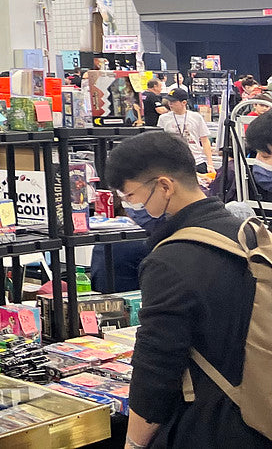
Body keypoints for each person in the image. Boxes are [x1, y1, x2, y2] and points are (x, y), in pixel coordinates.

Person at [105, 130, 270, 449]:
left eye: (130, 197)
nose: (129, 208)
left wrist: (134, 444)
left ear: (165, 186)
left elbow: (155, 372)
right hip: (260, 411)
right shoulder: (246, 231)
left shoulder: (169, 261)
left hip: (210, 426)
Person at [158, 88, 214, 176]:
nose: (170, 104)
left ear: (184, 102)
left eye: (173, 102)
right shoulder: (163, 118)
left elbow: (204, 140)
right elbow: (160, 141)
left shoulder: (196, 117)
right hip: (173, 163)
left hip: (197, 161)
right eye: (169, 101)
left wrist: (210, 164)